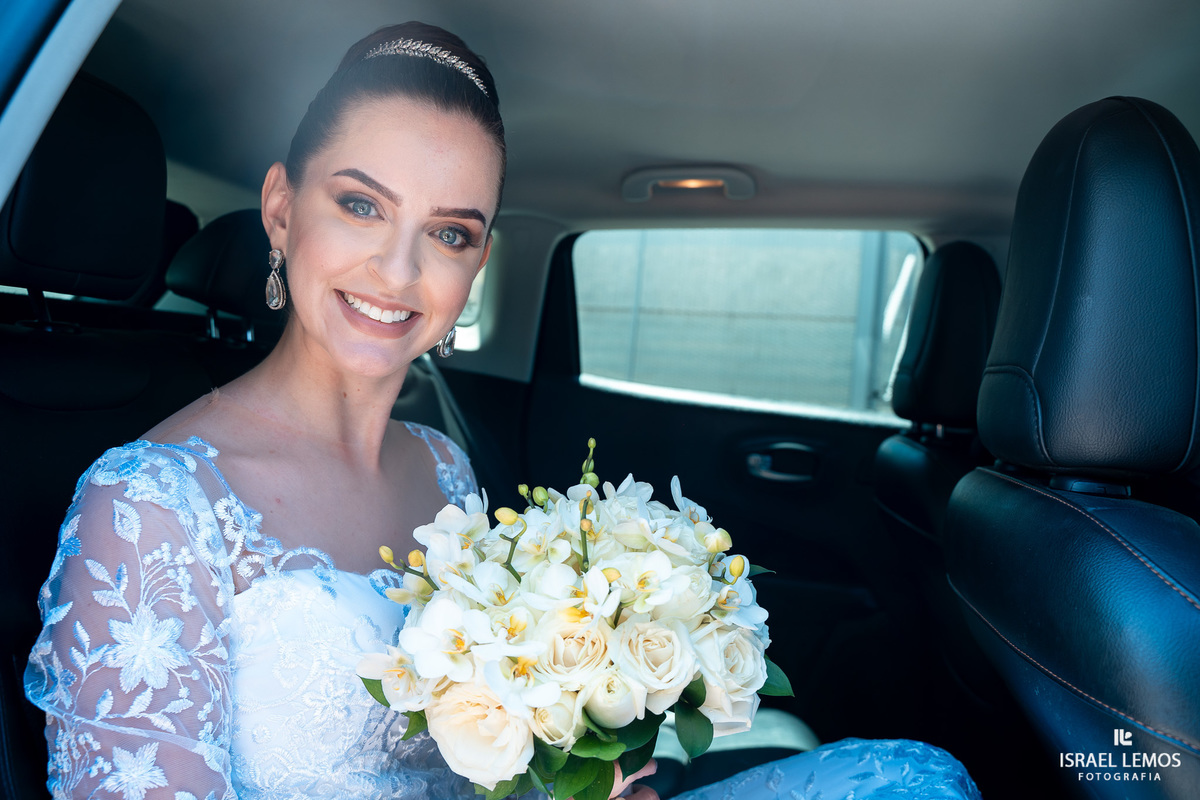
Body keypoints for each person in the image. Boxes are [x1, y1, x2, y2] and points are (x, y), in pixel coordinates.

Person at [24, 21, 980, 800]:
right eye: (361, 207)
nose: (398, 272)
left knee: (913, 778)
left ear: (474, 266)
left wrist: (577, 775)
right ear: (281, 209)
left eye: (447, 233)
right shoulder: (146, 510)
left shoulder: (443, 466)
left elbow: (477, 759)